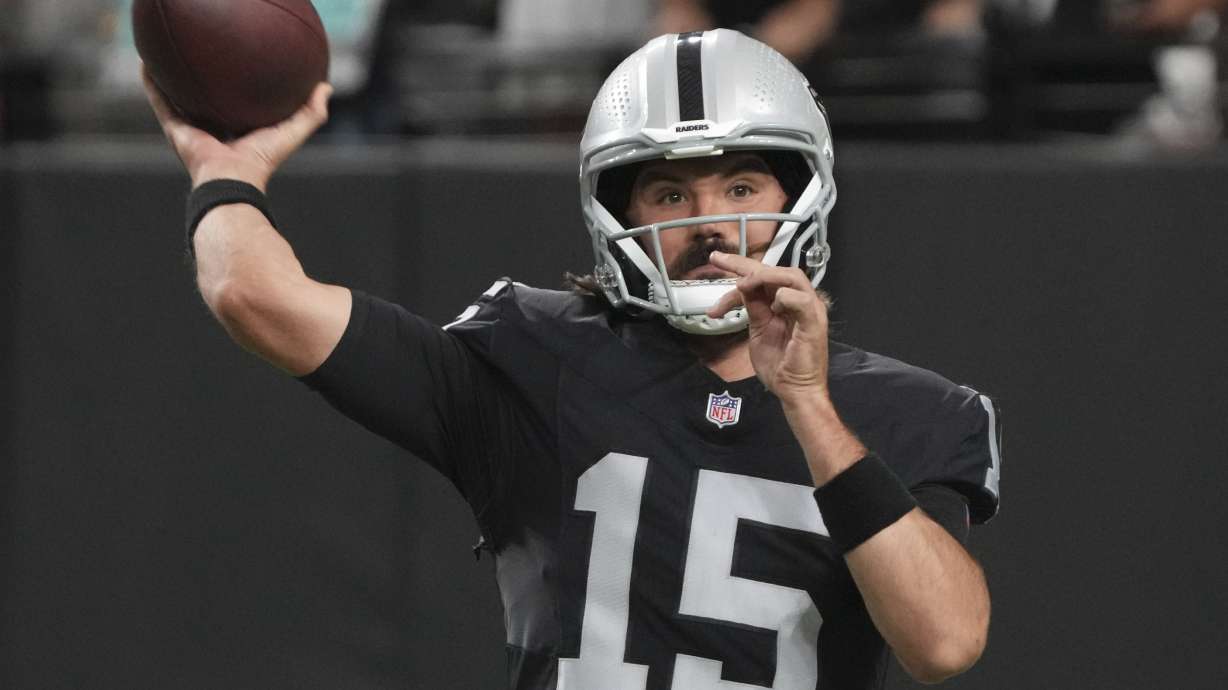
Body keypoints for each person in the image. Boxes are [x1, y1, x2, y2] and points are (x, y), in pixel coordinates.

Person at [145, 28, 1001, 690]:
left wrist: (809, 405)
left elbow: (945, 642)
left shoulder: (907, 411)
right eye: (670, 192)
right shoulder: (536, 359)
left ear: (799, 199)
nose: (706, 225)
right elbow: (254, 297)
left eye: (740, 187)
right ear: (617, 216)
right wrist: (227, 174)